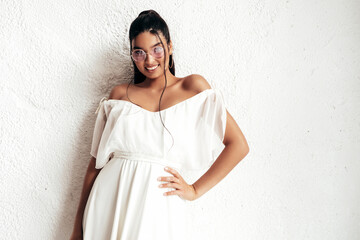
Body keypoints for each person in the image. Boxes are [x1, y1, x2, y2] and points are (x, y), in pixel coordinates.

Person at [70, 9, 249, 240]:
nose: (150, 60)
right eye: (139, 53)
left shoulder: (193, 88)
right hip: (109, 203)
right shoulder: (120, 95)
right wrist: (77, 227)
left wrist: (194, 190)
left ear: (170, 47)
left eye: (156, 49)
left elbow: (238, 145)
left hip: (159, 211)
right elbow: (95, 164)